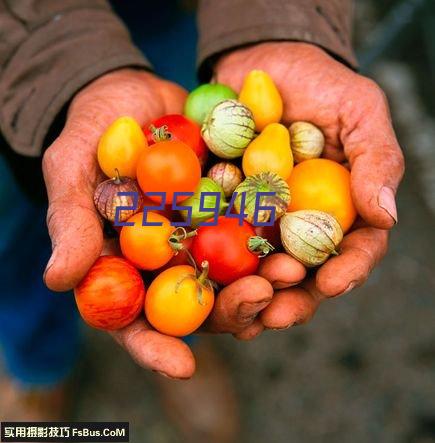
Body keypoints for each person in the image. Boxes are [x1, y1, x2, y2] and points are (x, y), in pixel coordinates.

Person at [0, 0, 404, 439]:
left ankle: (186, 336)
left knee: (172, 55)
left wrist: (276, 26)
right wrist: (58, 69)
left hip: (168, 13)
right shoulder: (216, 194)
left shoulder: (224, 194)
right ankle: (36, 365)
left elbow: (204, 205)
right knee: (22, 239)